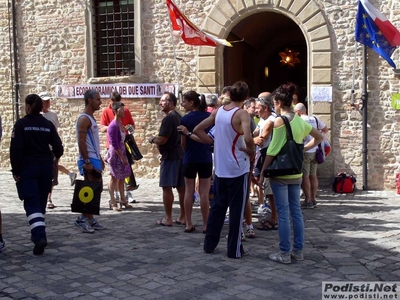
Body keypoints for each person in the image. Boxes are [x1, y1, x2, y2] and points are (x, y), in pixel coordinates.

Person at [259, 84, 323, 264]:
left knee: (283, 212)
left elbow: (273, 149)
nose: (274, 106)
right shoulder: (301, 121)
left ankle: (285, 253)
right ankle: (299, 251)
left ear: (279, 102)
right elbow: (319, 137)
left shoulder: (280, 121)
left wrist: (263, 171)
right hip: (296, 172)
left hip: (280, 173)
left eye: (274, 103)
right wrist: (302, 149)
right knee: (296, 212)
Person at [194, 81, 255, 259]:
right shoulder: (242, 113)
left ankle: (209, 244)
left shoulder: (219, 110)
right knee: (237, 210)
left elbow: (198, 129)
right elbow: (249, 137)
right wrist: (251, 150)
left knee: (218, 209)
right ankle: (234, 250)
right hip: (237, 168)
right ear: (245, 97)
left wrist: (213, 142)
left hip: (220, 168)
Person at [10, 94, 64, 254]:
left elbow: (15, 150)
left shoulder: (21, 125)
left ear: (27, 106)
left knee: (31, 203)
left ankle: (39, 236)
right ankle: (37, 233)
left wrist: (15, 170)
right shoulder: (47, 125)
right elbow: (59, 148)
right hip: (45, 169)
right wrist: (55, 159)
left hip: (28, 169)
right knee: (40, 203)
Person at [147, 92, 185, 227]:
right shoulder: (179, 116)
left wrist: (152, 139)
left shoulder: (169, 118)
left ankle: (168, 218)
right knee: (182, 188)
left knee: (167, 187)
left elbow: (163, 139)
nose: (160, 103)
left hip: (170, 156)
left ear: (171, 102)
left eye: (163, 101)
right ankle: (183, 217)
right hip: (180, 155)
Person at [177, 91, 212, 233]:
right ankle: (205, 224)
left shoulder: (185, 119)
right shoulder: (209, 117)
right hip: (205, 157)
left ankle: (189, 223)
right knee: (204, 192)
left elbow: (183, 143)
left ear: (192, 102)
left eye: (184, 101)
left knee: (189, 190)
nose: (182, 104)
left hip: (190, 157)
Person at [74, 90, 107, 233]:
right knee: (89, 190)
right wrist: (87, 161)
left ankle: (90, 217)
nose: (100, 102)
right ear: (89, 101)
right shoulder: (83, 119)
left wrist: (99, 157)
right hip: (88, 159)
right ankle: (82, 218)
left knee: (96, 189)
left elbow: (92, 141)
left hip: (94, 158)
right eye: (98, 99)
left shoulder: (91, 118)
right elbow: (81, 142)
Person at [39, 92, 77, 209]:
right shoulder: (37, 116)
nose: (47, 103)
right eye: (45, 101)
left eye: (48, 101)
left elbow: (55, 132)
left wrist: (57, 147)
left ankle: (49, 198)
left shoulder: (53, 115)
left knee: (52, 173)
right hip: (40, 149)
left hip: (51, 148)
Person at [100, 91, 139, 204]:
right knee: (114, 173)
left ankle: (127, 194)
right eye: (114, 103)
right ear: (110, 102)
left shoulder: (125, 110)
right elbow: (102, 128)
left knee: (126, 170)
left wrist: (127, 128)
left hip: (124, 143)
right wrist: (114, 128)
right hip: (112, 146)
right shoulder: (106, 111)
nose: (117, 105)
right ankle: (115, 196)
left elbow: (132, 127)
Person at [294, 103, 329, 208]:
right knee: (313, 176)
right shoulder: (315, 119)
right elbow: (326, 129)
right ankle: (313, 199)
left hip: (305, 150)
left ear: (298, 112)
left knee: (305, 176)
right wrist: (319, 138)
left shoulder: (300, 121)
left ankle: (307, 200)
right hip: (315, 150)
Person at [253, 94, 278, 230]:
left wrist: (246, 140)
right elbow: (254, 133)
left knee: (270, 188)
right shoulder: (262, 119)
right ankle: (272, 213)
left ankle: (274, 218)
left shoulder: (271, 120)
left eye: (257, 108)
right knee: (258, 178)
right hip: (262, 153)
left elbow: (261, 138)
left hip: (269, 155)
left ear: (265, 108)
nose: (256, 110)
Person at [106, 101, 133, 211]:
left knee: (122, 176)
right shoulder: (113, 125)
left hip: (122, 150)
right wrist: (121, 157)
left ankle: (123, 199)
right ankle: (113, 202)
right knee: (114, 176)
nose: (124, 111)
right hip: (116, 153)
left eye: (124, 109)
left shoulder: (121, 123)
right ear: (116, 111)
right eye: (121, 109)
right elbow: (114, 143)